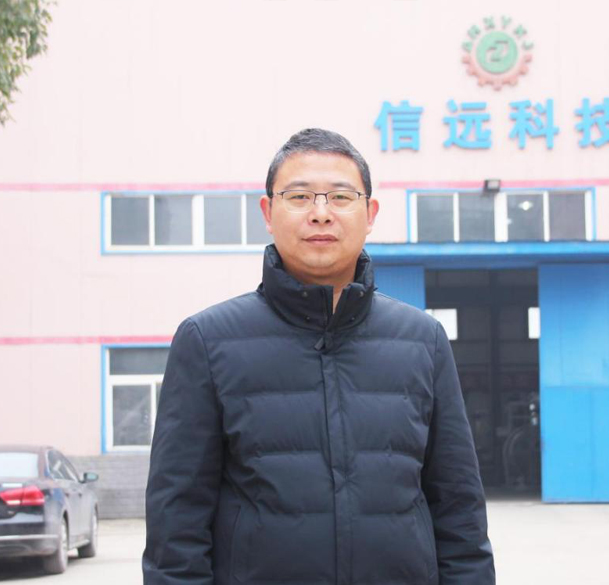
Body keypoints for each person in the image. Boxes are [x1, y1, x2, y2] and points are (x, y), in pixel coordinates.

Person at [143, 128, 495, 585]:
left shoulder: (422, 341)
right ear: (268, 213)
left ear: (370, 214)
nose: (321, 213)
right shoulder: (208, 341)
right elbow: (177, 521)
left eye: (341, 197)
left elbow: (459, 507)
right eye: (299, 196)